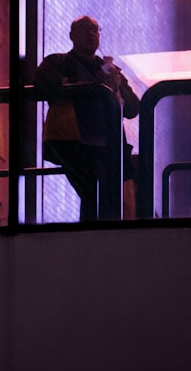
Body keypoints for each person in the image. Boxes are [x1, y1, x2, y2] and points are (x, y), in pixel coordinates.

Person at [33, 15, 140, 221]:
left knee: (109, 199)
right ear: (72, 35)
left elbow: (133, 108)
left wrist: (115, 87)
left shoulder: (110, 70)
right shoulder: (58, 62)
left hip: (109, 146)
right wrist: (83, 85)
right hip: (74, 144)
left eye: (96, 30)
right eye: (85, 29)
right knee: (93, 195)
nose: (91, 34)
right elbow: (42, 83)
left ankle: (97, 236)